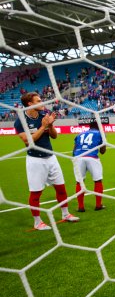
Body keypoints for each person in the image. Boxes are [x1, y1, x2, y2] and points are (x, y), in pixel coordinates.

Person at [14, 92, 79, 230]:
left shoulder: (44, 115)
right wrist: (43, 127)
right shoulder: (20, 121)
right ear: (30, 104)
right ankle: (37, 222)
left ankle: (65, 214)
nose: (42, 102)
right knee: (36, 193)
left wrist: (50, 126)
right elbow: (27, 141)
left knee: (61, 188)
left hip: (51, 157)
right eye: (39, 101)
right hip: (35, 160)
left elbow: (54, 136)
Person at [72, 120, 107, 212]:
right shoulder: (100, 133)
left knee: (80, 182)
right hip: (92, 157)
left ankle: (80, 207)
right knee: (98, 180)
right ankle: (98, 205)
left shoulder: (80, 134)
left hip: (78, 157)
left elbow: (74, 149)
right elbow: (102, 151)